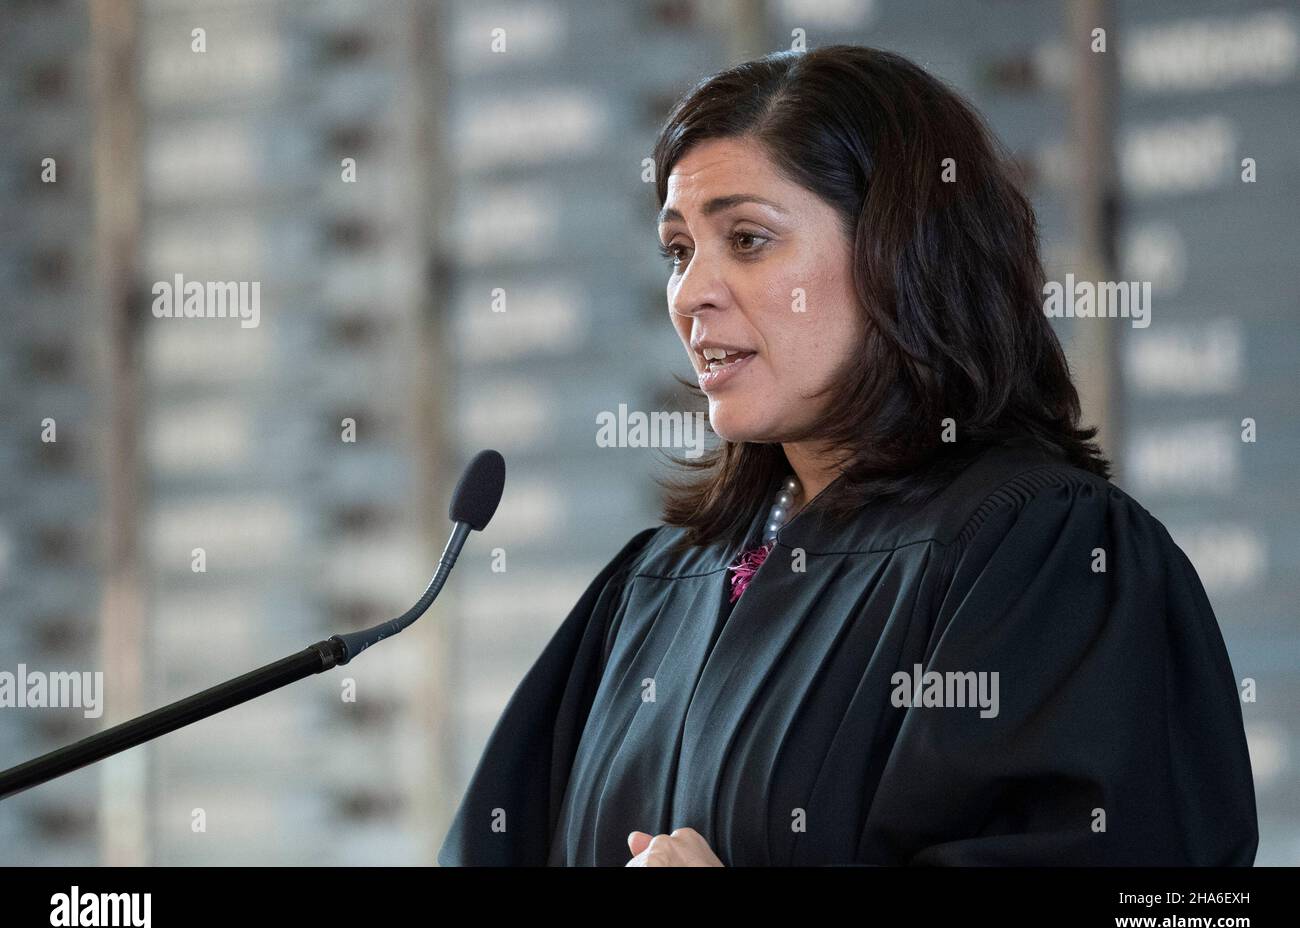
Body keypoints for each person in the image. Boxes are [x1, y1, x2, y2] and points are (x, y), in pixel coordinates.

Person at [437, 45, 1258, 867]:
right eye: (679, 250)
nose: (690, 294)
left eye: (749, 239)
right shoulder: (653, 588)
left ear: (901, 256)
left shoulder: (1047, 557)